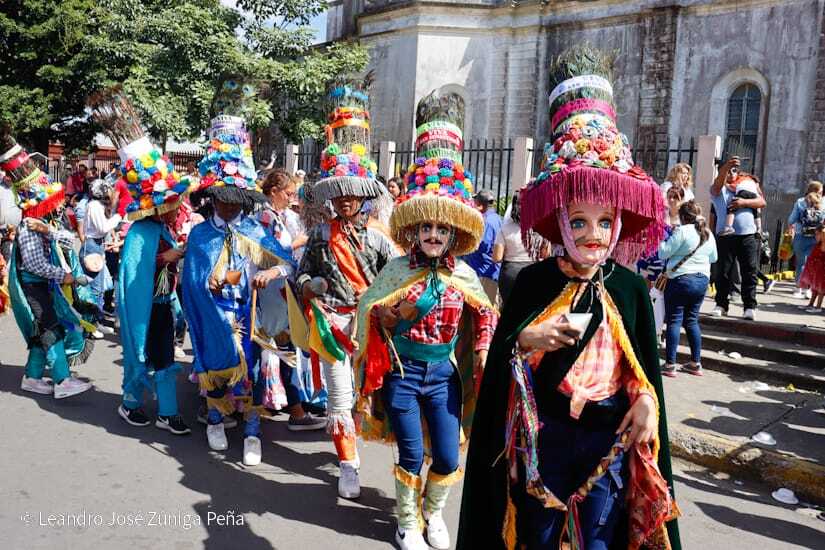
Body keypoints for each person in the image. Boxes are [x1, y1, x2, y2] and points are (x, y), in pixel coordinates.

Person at [458, 45, 680, 550]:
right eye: (578, 221)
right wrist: (525, 338)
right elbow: (501, 373)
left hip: (608, 438)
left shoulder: (628, 289)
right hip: (547, 438)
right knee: (536, 537)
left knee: (600, 540)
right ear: (559, 222)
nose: (593, 235)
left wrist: (647, 402)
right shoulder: (534, 284)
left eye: (605, 222)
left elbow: (639, 370)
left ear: (620, 223)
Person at [354, 90, 497, 550]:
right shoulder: (397, 269)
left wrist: (481, 351)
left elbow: (486, 316)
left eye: (442, 229)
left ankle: (433, 515)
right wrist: (393, 313)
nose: (434, 235)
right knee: (412, 453)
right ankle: (406, 522)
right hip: (403, 372)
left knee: (450, 457)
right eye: (426, 228)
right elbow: (370, 311)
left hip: (443, 376)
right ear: (414, 230)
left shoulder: (468, 275)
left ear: (454, 233)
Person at [293, 77, 397, 500]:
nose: (346, 200)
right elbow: (299, 275)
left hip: (370, 327)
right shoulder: (319, 235)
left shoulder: (378, 239)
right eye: (340, 195)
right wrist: (309, 284)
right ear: (333, 197)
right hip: (333, 325)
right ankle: (348, 464)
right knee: (339, 394)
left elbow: (395, 281)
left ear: (363, 193)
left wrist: (387, 308)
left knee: (372, 395)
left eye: (352, 193)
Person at [181, 84, 289, 465]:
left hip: (250, 312)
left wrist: (271, 271)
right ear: (212, 196)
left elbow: (286, 262)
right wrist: (208, 282)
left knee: (255, 371)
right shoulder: (199, 233)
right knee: (215, 365)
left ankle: (253, 431)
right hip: (214, 313)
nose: (228, 205)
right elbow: (189, 281)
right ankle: (214, 417)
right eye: (222, 197)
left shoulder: (257, 230)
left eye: (235, 198)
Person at [2, 130, 94, 399]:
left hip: (42, 285)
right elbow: (34, 264)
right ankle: (62, 380)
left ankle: (32, 377)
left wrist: (49, 230)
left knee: (45, 330)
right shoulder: (29, 226)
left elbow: (65, 238)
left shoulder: (41, 223)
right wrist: (63, 275)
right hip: (34, 287)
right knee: (51, 329)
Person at [257, 168, 326, 431]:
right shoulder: (265, 217)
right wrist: (299, 242)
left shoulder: (281, 216)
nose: (291, 198)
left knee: (283, 346)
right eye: (287, 193)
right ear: (273, 192)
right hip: (271, 288)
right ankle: (293, 410)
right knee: (279, 347)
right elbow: (269, 252)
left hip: (281, 287)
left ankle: (289, 405)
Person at [658, 201, 717, 377]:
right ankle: (695, 363)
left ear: (683, 217)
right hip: (701, 281)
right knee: (691, 320)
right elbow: (714, 257)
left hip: (680, 280)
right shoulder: (708, 233)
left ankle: (670, 365)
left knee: (674, 320)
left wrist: (661, 238)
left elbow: (663, 252)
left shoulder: (682, 231)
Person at [710, 156, 766, 320]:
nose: (731, 173)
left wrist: (743, 203)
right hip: (725, 236)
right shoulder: (719, 189)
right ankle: (721, 304)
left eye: (734, 170)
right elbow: (717, 185)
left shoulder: (745, 185)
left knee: (750, 271)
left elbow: (762, 202)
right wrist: (726, 167)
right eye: (728, 171)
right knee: (723, 272)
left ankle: (749, 306)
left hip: (748, 236)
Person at [82, 178, 121, 336]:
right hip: (92, 246)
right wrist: (118, 217)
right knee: (95, 289)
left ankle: (97, 322)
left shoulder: (97, 206)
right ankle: (91, 325)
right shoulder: (94, 206)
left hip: (96, 245)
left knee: (100, 287)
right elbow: (103, 228)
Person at [493, 190, 538, 305]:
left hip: (510, 275)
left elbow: (497, 257)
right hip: (533, 273)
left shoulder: (505, 229)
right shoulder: (539, 228)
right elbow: (545, 254)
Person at [463, 189, 502, 306]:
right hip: (493, 272)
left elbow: (478, 245)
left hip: (482, 273)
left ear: (480, 204)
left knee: (484, 310)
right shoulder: (499, 219)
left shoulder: (485, 221)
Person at [788, 182, 825, 298]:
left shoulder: (800, 202)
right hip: (816, 237)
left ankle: (798, 289)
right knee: (813, 264)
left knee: (801, 263)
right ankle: (808, 289)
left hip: (800, 235)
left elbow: (791, 219)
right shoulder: (823, 203)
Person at [799, 222, 825, 312]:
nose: (815, 236)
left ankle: (818, 307)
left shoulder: (823, 244)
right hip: (816, 268)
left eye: (818, 234)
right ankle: (811, 304)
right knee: (815, 288)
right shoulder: (818, 243)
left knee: (821, 289)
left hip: (821, 269)